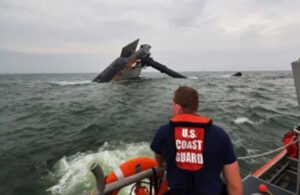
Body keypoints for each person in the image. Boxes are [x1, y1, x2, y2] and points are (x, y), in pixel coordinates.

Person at [150, 86, 243, 195]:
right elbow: (234, 185)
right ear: (196, 107)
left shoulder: (164, 132)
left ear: (178, 108)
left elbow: (159, 159)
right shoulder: (220, 135)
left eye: (172, 105)